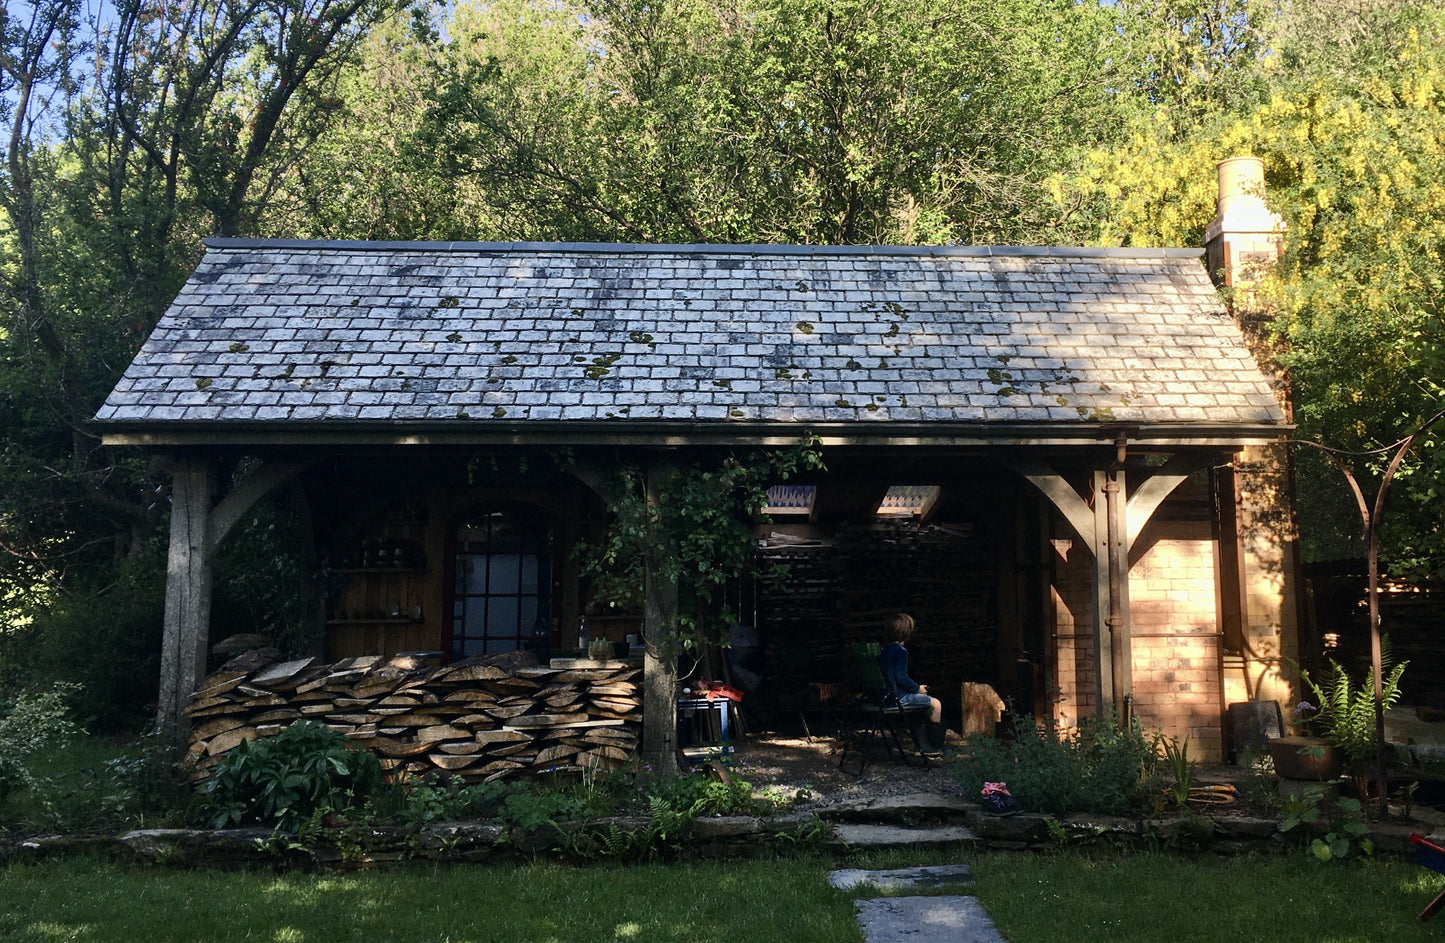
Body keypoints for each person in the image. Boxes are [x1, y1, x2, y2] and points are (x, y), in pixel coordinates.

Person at [878, 612, 946, 756]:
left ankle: (922, 744)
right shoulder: (900, 651)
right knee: (936, 704)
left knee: (921, 707)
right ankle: (934, 746)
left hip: (884, 697)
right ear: (906, 633)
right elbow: (901, 677)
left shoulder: (884, 649)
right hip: (897, 699)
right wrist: (917, 689)